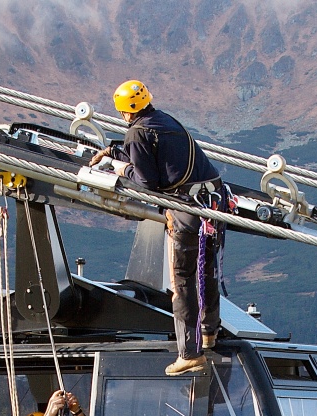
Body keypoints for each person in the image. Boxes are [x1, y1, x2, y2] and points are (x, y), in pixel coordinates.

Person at [90, 80, 227, 375]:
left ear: (125, 112)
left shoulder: (137, 132)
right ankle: (208, 334)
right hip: (212, 201)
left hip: (186, 211)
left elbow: (146, 183)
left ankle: (189, 353)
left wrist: (118, 167)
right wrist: (117, 151)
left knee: (183, 282)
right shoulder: (163, 120)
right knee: (207, 272)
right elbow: (156, 159)